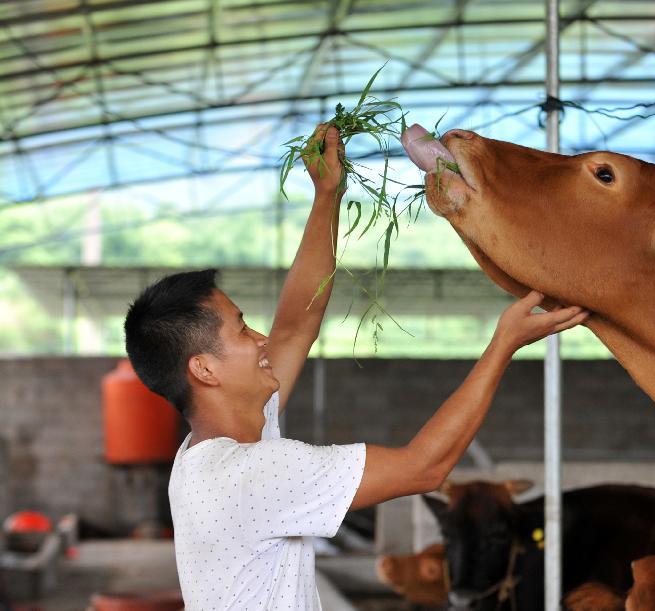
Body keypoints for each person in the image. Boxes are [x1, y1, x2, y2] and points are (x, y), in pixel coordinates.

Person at [123, 124, 588, 610]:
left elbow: (293, 327)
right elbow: (424, 467)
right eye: (242, 330)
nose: (260, 339)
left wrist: (327, 194)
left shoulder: (214, 450)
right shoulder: (254, 474)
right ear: (205, 370)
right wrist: (504, 344)